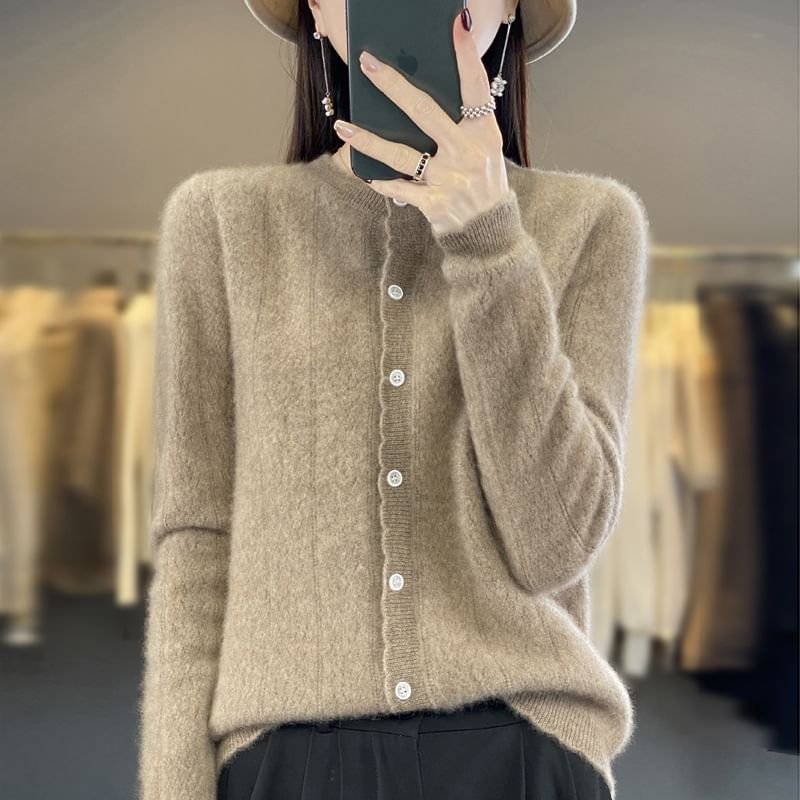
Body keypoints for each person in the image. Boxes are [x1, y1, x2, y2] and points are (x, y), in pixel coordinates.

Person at [137, 1, 651, 799]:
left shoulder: (591, 223)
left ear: (510, 10)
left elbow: (555, 544)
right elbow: (198, 532)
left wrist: (488, 239)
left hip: (523, 754)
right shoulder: (222, 222)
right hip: (289, 763)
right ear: (317, 10)